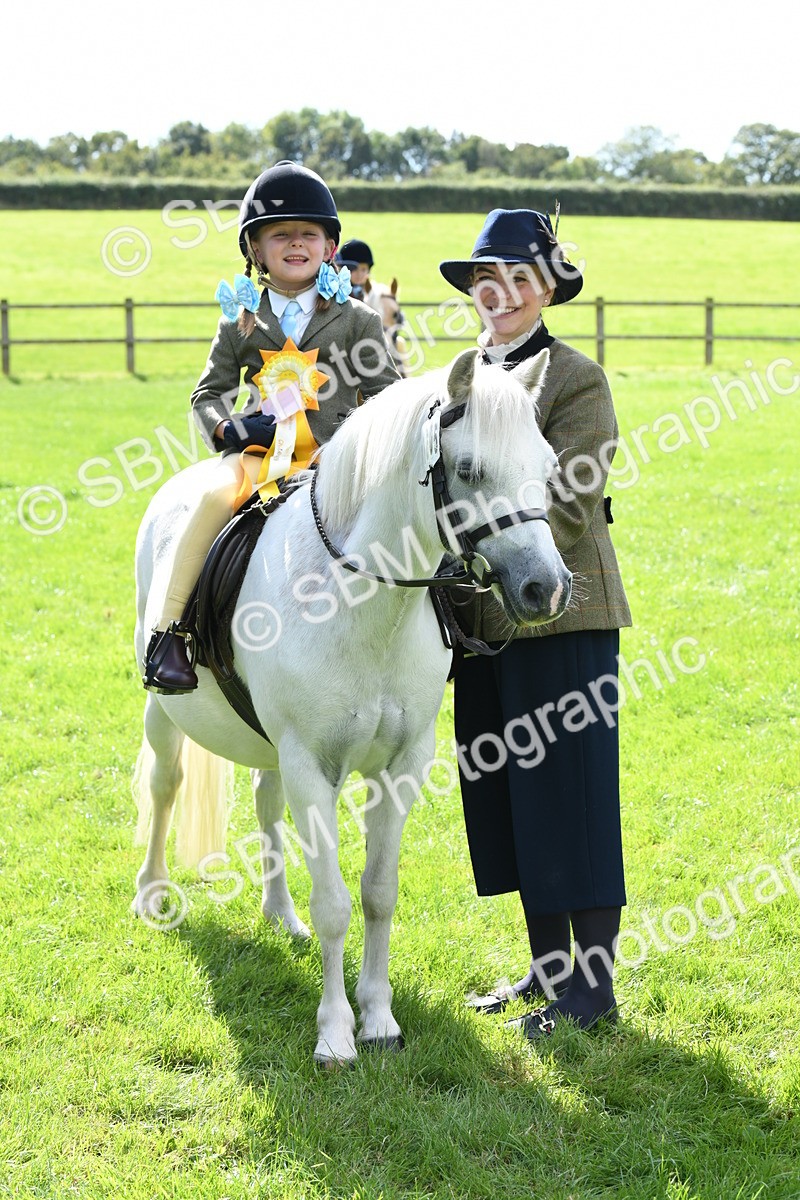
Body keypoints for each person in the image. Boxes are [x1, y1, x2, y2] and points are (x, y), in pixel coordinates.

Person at [439, 208, 632, 1039]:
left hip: (564, 613)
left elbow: (574, 491)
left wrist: (491, 542)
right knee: (510, 798)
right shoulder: (456, 375)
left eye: (520, 277)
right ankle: (546, 971)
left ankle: (592, 989)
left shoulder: (574, 378)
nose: (502, 292)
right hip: (478, 621)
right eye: (489, 278)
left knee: (570, 795)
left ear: (547, 288)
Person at [142, 161, 400, 694]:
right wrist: (225, 430)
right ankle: (169, 634)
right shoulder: (240, 318)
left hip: (336, 461)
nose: (296, 244)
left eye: (310, 234)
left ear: (331, 247)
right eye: (279, 234)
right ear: (255, 249)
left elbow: (387, 401)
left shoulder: (359, 320)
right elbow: (206, 393)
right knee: (211, 499)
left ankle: (446, 617)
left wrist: (356, 446)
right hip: (257, 457)